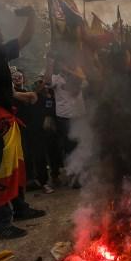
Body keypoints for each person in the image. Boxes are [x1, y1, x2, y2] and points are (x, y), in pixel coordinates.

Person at [0, 11, 45, 240]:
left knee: (14, 165)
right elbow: (26, 37)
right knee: (1, 171)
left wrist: (24, 96)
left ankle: (20, 208)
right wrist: (32, 14)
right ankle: (1, 225)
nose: (2, 31)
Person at [45, 58, 88, 189]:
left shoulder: (79, 75)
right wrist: (50, 63)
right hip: (64, 118)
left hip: (79, 117)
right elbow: (47, 81)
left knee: (81, 146)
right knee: (69, 148)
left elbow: (84, 81)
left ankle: (83, 176)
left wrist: (67, 70)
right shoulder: (57, 78)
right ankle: (74, 178)